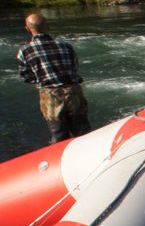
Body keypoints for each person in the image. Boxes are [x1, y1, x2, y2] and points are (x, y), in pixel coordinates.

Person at [16, 13, 92, 143]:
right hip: (73, 90)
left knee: (58, 133)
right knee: (82, 131)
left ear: (28, 29)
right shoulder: (66, 46)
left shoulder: (25, 51)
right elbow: (74, 66)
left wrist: (39, 79)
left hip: (50, 94)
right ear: (47, 26)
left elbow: (25, 76)